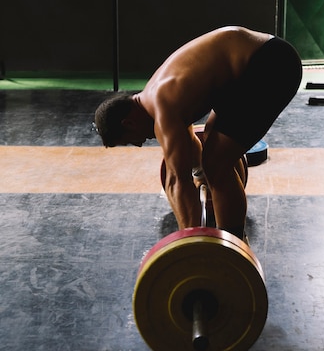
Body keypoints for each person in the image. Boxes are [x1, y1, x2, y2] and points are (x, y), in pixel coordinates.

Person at [94, 26, 302, 241]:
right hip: (251, 67)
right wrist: (202, 176)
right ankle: (231, 233)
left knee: (217, 162)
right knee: (214, 149)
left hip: (271, 63)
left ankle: (232, 247)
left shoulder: (162, 108)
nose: (138, 144)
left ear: (128, 122)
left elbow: (176, 181)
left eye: (129, 140)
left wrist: (189, 243)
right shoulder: (159, 98)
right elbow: (190, 147)